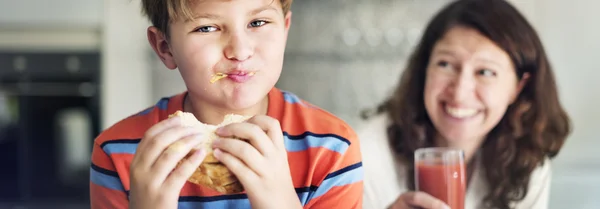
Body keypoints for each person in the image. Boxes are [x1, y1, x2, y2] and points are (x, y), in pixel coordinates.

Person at [89, 0, 363, 208]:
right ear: (165, 47)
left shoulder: (331, 149)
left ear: (285, 29)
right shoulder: (119, 152)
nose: (240, 51)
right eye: (206, 28)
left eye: (258, 23)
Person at [359, 0, 571, 208]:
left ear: (518, 88)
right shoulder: (366, 155)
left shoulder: (527, 159)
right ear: (425, 70)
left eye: (485, 72)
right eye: (446, 65)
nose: (460, 93)